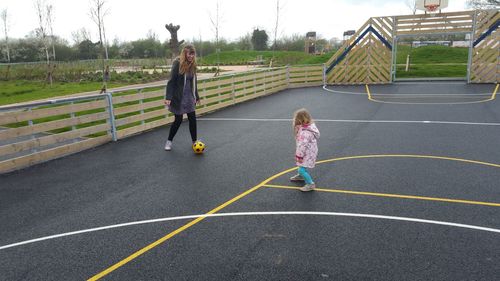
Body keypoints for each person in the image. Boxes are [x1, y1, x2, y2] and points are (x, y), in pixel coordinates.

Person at [164, 44, 201, 151]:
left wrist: (197, 96)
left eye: (193, 54)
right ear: (185, 53)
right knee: (178, 120)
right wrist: (168, 97)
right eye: (190, 54)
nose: (191, 56)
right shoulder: (177, 63)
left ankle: (194, 142)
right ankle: (169, 141)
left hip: (189, 97)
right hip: (179, 97)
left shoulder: (193, 65)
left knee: (192, 119)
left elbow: (194, 82)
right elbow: (171, 82)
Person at [290, 108, 320, 192]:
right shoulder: (308, 126)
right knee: (301, 165)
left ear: (299, 119)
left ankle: (310, 184)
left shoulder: (305, 132)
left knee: (301, 168)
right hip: (310, 150)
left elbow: (302, 146)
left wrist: (299, 155)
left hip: (307, 152)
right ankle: (301, 176)